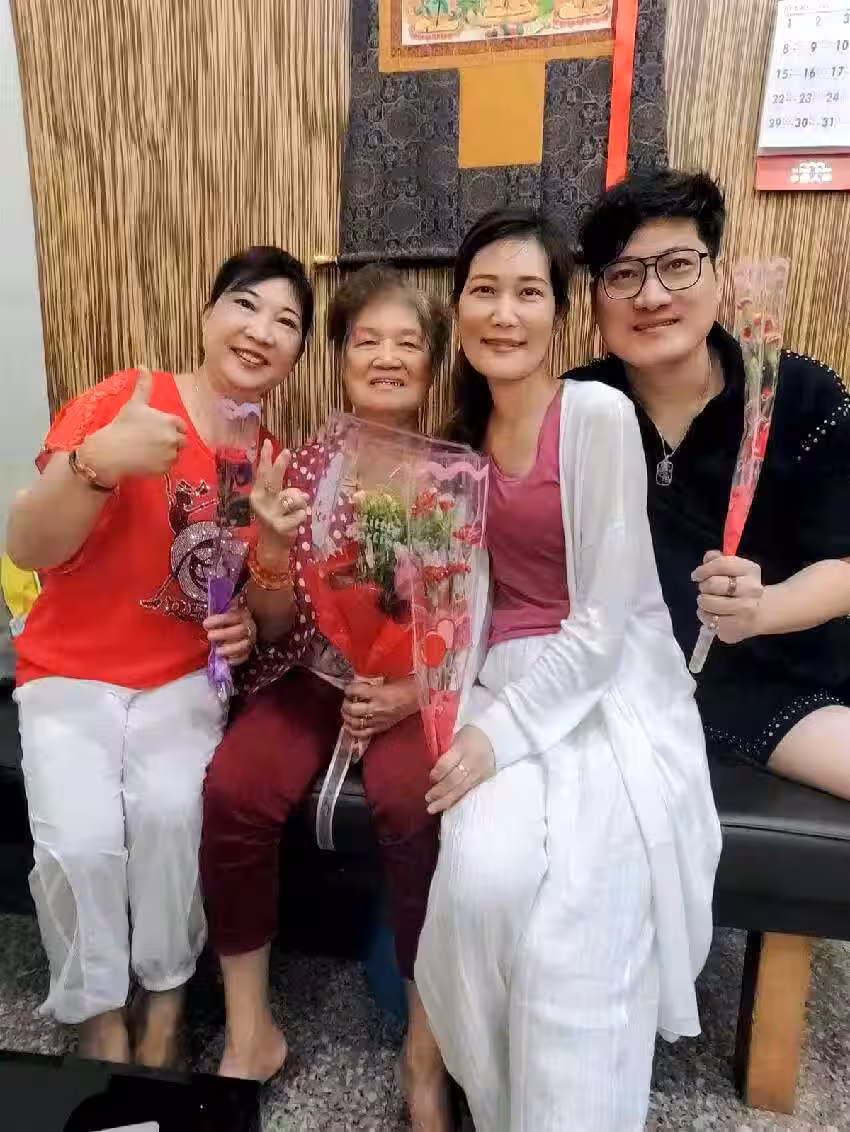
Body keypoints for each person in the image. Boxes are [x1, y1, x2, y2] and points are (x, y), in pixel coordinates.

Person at [413, 208, 721, 1132]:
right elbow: (456, 611)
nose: (504, 314)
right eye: (484, 291)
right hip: (493, 684)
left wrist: (494, 737)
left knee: (579, 922)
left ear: (564, 313)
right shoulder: (459, 444)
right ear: (459, 309)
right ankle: (489, 1096)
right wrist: (429, 693)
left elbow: (601, 625)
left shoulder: (597, 416)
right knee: (480, 885)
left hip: (608, 688)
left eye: (528, 293)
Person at [4, 245, 314, 1066]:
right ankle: (99, 1013)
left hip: (181, 679)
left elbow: (258, 613)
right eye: (245, 304)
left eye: (286, 321)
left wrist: (250, 609)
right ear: (208, 316)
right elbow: (26, 545)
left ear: (296, 355)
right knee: (80, 843)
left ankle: (168, 999)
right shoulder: (127, 398)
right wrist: (98, 462)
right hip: (68, 670)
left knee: (173, 818)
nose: (261, 330)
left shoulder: (264, 459)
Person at [200, 265, 454, 1130]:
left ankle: (425, 1051)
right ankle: (249, 1032)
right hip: (310, 668)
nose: (386, 357)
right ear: (339, 357)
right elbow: (273, 625)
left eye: (408, 342)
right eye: (366, 340)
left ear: (432, 364)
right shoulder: (302, 466)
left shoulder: (457, 473)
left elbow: (472, 614)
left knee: (416, 804)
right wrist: (271, 550)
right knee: (235, 787)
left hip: (411, 686)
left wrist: (411, 688)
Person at [575, 169, 850, 799]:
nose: (651, 296)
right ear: (595, 300)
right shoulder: (577, 409)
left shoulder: (800, 395)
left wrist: (766, 607)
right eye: (624, 275)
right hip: (626, 686)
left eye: (677, 266)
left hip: (781, 678)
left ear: (719, 278)